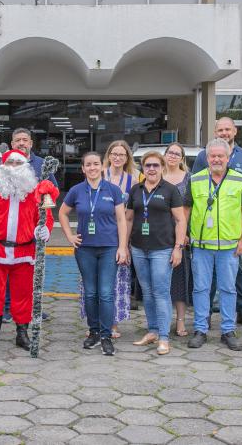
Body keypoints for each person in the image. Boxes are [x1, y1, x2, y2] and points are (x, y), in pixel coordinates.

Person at [0, 149, 59, 352]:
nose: (13, 166)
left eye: (17, 163)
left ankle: (22, 334)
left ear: (25, 166)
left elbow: (46, 217)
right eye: (9, 162)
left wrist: (44, 229)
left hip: (24, 253)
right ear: (3, 165)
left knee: (23, 296)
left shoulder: (34, 191)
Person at [191, 117, 242, 329]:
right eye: (220, 130)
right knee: (205, 285)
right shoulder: (202, 161)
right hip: (205, 240)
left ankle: (241, 314)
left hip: (232, 237)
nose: (224, 132)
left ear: (235, 132)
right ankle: (204, 323)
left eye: (227, 129)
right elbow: (196, 198)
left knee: (235, 279)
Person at [186, 138, 242, 351]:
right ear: (207, 159)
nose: (216, 159)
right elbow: (186, 210)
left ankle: (227, 330)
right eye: (212, 156)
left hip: (229, 247)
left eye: (220, 156)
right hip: (202, 246)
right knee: (201, 289)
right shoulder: (195, 179)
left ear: (228, 158)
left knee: (228, 289)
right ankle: (200, 330)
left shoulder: (240, 179)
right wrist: (183, 237)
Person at [59, 151, 128, 356]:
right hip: (85, 249)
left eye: (96, 164)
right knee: (90, 292)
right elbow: (62, 212)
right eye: (88, 165)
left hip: (109, 247)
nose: (92, 168)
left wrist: (122, 247)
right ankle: (94, 332)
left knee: (105, 292)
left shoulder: (113, 190)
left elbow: (122, 220)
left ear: (102, 166)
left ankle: (106, 335)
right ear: (83, 168)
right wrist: (69, 236)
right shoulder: (76, 191)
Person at [126, 151, 187, 355]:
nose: (151, 169)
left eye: (156, 165)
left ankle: (163, 337)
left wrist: (178, 247)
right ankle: (152, 330)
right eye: (148, 165)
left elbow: (180, 220)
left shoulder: (170, 191)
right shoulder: (136, 190)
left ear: (162, 167)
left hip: (163, 249)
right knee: (147, 291)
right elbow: (127, 219)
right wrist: (124, 245)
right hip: (138, 249)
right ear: (143, 168)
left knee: (161, 292)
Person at [101, 139, 142, 336]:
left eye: (122, 155)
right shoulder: (99, 175)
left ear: (127, 158)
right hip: (99, 233)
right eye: (114, 154)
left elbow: (133, 212)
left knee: (117, 281)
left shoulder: (133, 181)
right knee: (95, 280)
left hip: (120, 235)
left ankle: (113, 323)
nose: (117, 158)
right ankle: (96, 322)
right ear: (108, 156)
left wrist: (125, 242)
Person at [163, 142, 192, 338]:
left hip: (180, 235)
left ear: (182, 158)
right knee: (159, 281)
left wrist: (183, 234)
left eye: (177, 153)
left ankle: (180, 321)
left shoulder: (188, 178)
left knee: (180, 280)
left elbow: (188, 208)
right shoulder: (155, 174)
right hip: (157, 234)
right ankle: (159, 320)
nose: (172, 156)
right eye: (169, 153)